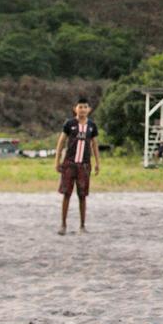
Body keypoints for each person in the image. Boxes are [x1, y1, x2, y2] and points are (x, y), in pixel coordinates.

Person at [54, 97, 100, 235]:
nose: (83, 110)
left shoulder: (92, 126)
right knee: (66, 194)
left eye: (85, 107)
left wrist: (97, 162)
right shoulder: (69, 124)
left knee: (82, 195)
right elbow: (61, 142)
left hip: (84, 165)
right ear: (75, 109)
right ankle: (63, 225)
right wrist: (57, 161)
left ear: (89, 109)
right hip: (69, 164)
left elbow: (95, 145)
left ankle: (82, 225)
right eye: (80, 107)